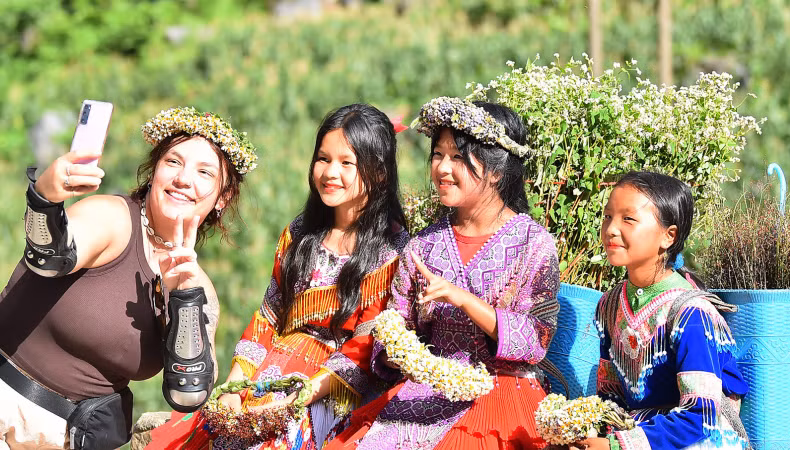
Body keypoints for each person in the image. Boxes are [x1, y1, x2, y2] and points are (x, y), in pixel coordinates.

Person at [147, 103, 410, 450]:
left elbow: (365, 344)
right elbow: (268, 316)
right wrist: (235, 389)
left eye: (347, 163)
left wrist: (297, 399)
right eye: (323, 159)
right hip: (273, 369)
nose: (331, 172)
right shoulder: (300, 233)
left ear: (378, 173)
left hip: (335, 386)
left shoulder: (393, 249)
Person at [0, 106, 256, 449]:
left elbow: (188, 393)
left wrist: (184, 299)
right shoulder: (114, 218)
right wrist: (45, 196)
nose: (184, 179)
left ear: (223, 196)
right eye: (173, 162)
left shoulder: (198, 287)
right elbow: (49, 255)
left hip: (71, 439)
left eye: (205, 172)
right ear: (154, 171)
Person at [326, 97, 561, 450]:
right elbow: (396, 325)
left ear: (497, 171)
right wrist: (397, 348)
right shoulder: (423, 246)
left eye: (458, 158)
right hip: (426, 388)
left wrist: (463, 299)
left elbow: (535, 339)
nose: (442, 168)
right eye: (438, 154)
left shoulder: (534, 244)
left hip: (501, 390)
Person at [574, 171, 749, 449]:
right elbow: (610, 396)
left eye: (628, 219)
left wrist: (616, 445)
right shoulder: (609, 306)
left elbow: (700, 416)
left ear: (669, 236)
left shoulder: (692, 315)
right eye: (608, 216)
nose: (611, 229)